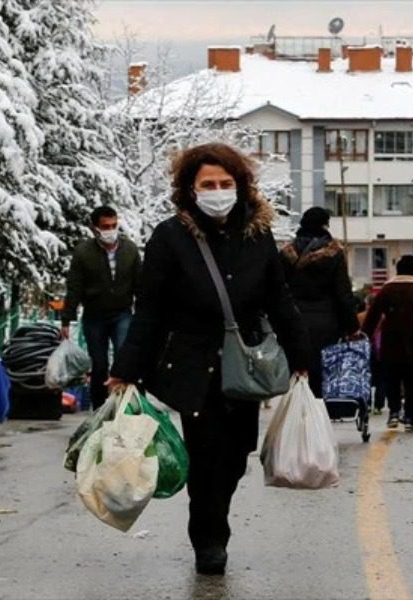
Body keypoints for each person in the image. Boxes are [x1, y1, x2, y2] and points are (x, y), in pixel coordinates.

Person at [107, 143, 309, 576]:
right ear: (189, 190)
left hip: (244, 364)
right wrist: (126, 370)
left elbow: (280, 300)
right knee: (205, 454)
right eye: (208, 184)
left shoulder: (258, 237)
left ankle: (216, 514)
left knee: (236, 457)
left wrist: (302, 358)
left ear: (241, 186)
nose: (217, 191)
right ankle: (210, 539)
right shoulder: (169, 237)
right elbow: (150, 311)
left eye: (225, 183)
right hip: (193, 364)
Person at [62, 205, 142, 409]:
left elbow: (140, 284)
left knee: (125, 358)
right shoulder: (83, 253)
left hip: (122, 312)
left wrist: (143, 314)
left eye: (114, 225)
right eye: (105, 226)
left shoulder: (130, 250)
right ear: (95, 228)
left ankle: (128, 406)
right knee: (99, 364)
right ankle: (98, 407)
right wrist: (66, 318)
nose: (110, 230)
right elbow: (75, 286)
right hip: (94, 315)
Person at [279, 206, 360, 399]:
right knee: (320, 375)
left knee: (296, 372)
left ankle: (296, 416)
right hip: (326, 323)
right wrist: (352, 326)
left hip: (292, 321)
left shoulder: (285, 253)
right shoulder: (333, 253)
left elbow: (277, 290)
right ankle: (317, 415)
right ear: (325, 225)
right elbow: (343, 293)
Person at [362, 255, 413, 432]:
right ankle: (410, 418)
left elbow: (373, 315)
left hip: (391, 342)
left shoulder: (387, 290)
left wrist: (365, 334)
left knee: (392, 380)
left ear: (398, 269)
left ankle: (394, 413)